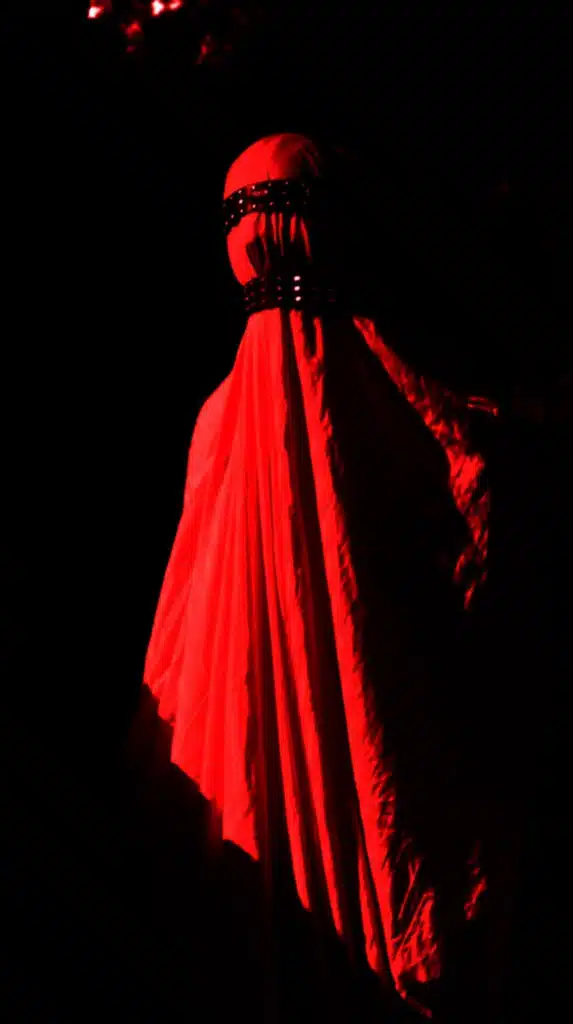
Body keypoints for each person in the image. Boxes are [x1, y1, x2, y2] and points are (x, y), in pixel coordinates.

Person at [139, 133, 502, 1018]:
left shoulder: (224, 416)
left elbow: (177, 635)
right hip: (363, 766)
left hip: (251, 768)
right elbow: (474, 516)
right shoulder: (390, 396)